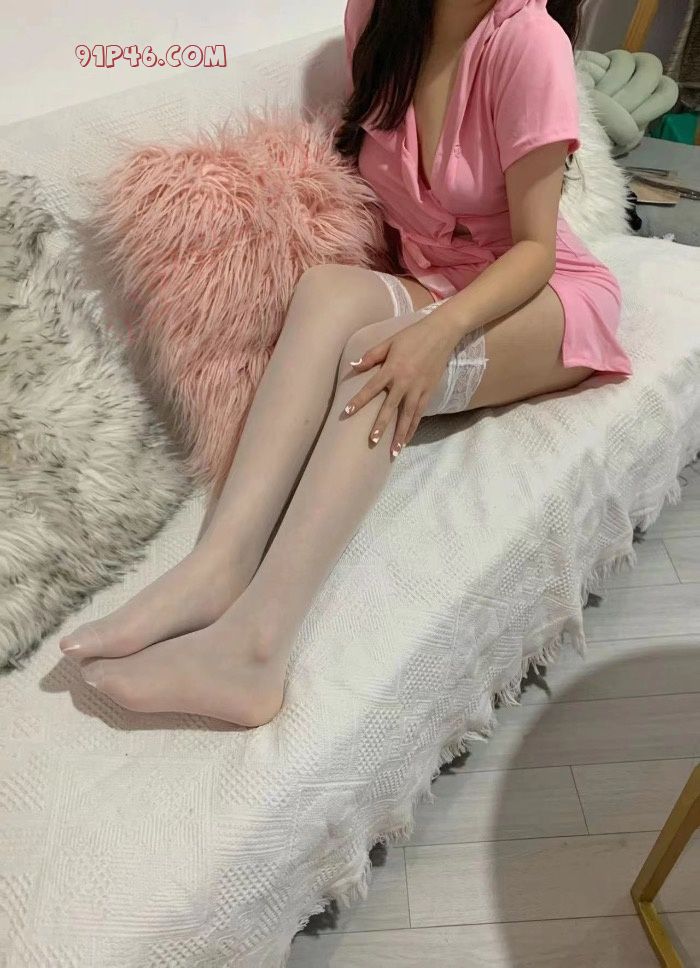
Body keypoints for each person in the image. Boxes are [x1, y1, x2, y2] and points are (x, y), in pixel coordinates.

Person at [59, 0, 632, 727]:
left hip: (544, 298)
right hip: (441, 278)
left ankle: (255, 649)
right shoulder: (378, 18)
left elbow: (535, 251)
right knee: (326, 289)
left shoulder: (529, 43)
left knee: (377, 354)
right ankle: (217, 567)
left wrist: (436, 331)